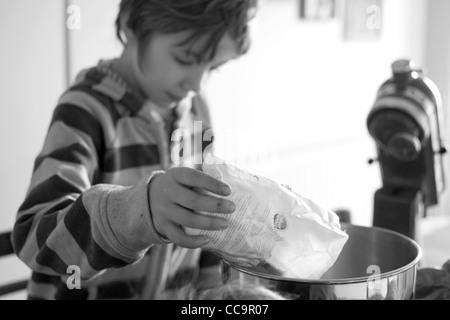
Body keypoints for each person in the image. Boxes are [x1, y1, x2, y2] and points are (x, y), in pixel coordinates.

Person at [12, 0, 258, 300]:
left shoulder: (196, 112)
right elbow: (33, 239)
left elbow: (206, 227)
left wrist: (215, 295)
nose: (196, 83)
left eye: (214, 68)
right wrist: (138, 213)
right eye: (185, 58)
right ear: (131, 24)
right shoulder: (85, 111)